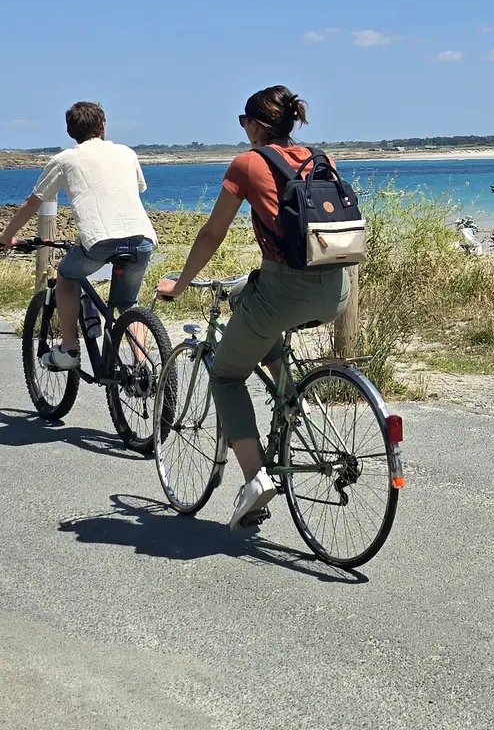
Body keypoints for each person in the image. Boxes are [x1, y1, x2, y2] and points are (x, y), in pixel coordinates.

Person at [157, 86, 350, 532]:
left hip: (285, 292)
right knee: (246, 295)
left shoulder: (247, 163)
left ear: (257, 125)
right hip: (334, 292)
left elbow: (211, 234)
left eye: (243, 122)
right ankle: (290, 398)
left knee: (225, 374)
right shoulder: (322, 159)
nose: (242, 130)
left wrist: (181, 282)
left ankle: (255, 479)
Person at [0, 102, 155, 369]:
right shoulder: (127, 153)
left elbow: (32, 203)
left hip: (99, 240)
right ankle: (143, 367)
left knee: (67, 275)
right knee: (127, 304)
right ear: (103, 126)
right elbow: (137, 188)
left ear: (70, 131)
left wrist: (7, 237)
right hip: (142, 238)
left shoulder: (64, 160)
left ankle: (69, 348)